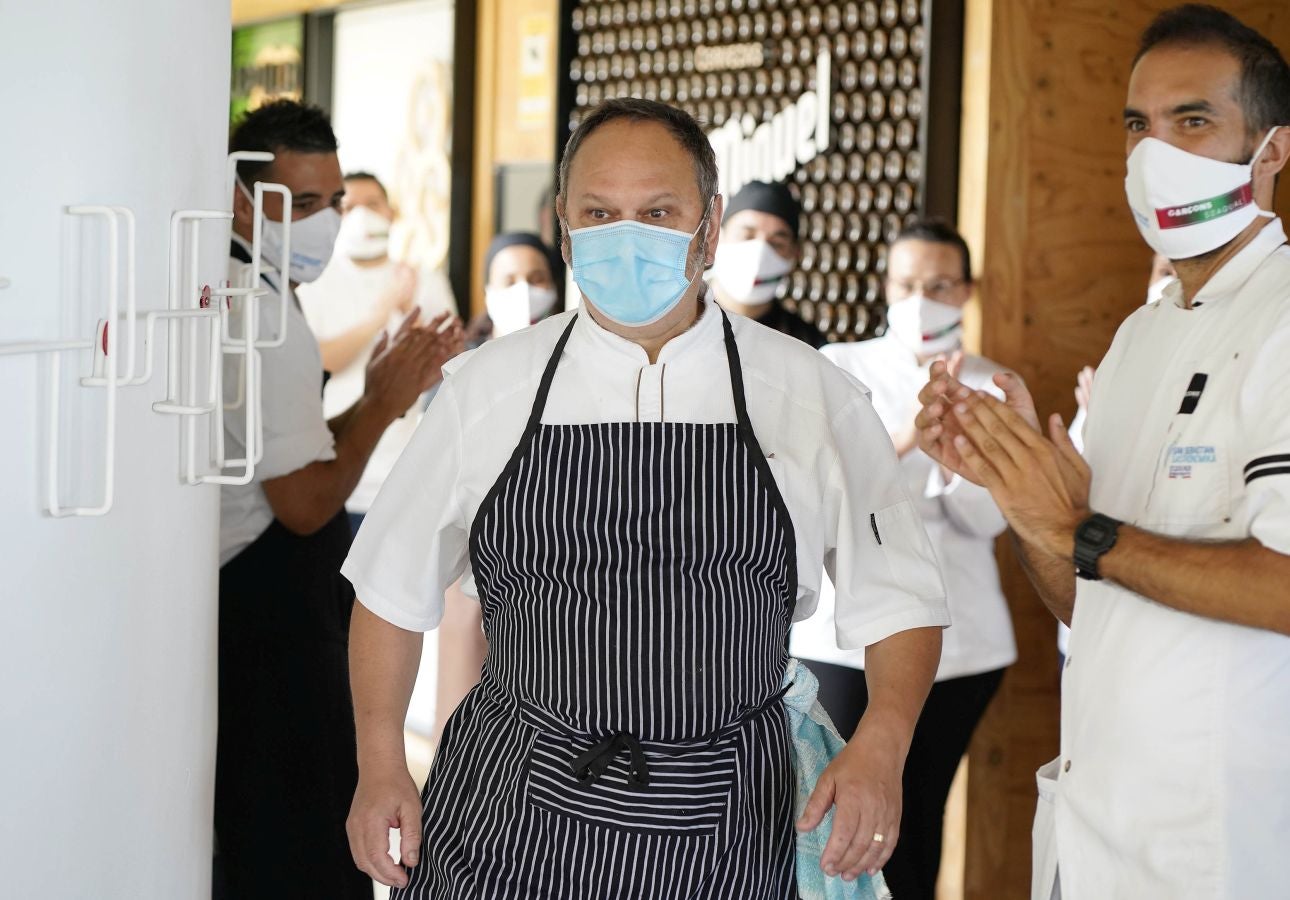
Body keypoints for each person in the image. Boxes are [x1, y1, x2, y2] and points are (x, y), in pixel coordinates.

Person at [343, 97, 950, 897]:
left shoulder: (806, 393)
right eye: (599, 212)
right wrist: (381, 759)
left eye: (657, 211)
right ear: (564, 224)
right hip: (512, 811)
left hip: (733, 817)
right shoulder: (485, 390)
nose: (626, 236)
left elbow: (901, 595)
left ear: (709, 222)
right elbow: (389, 593)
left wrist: (883, 740)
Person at [915, 7, 1290, 897]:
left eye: (1191, 121)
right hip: (1097, 825)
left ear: (1271, 151)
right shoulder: (1134, 342)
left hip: (1224, 838)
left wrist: (1082, 529)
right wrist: (1019, 494)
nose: (1154, 152)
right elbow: (1092, 604)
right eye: (1137, 126)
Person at [215, 100, 463, 900]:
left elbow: (292, 449)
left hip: (266, 607)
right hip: (267, 618)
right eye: (303, 203)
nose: (324, 222)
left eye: (334, 202)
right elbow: (305, 502)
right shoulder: (255, 310)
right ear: (244, 197)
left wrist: (376, 395)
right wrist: (383, 404)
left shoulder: (259, 287)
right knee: (293, 838)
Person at [792, 219, 1016, 900]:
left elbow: (987, 520)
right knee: (829, 821)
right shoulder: (839, 365)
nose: (922, 299)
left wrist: (960, 457)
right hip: (839, 641)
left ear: (968, 290)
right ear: (887, 287)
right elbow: (816, 490)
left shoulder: (993, 384)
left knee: (915, 824)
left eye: (940, 285)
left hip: (963, 647)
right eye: (908, 284)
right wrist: (910, 438)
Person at [431, 232, 560, 742]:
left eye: (536, 279)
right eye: (509, 280)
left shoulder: (580, 363)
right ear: (486, 291)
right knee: (462, 708)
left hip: (555, 565)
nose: (524, 291)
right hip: (473, 558)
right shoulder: (462, 374)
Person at [298, 171, 459, 531]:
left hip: (403, 474)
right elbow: (321, 362)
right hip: (336, 470)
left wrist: (406, 315)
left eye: (372, 205)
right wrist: (382, 311)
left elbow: (447, 363)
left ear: (391, 212)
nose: (361, 215)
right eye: (348, 206)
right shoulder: (314, 281)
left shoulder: (424, 280)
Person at [709, 180, 827, 347]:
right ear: (716, 237)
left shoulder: (806, 344)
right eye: (747, 236)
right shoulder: (674, 323)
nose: (760, 254)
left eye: (777, 244)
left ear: (795, 255)